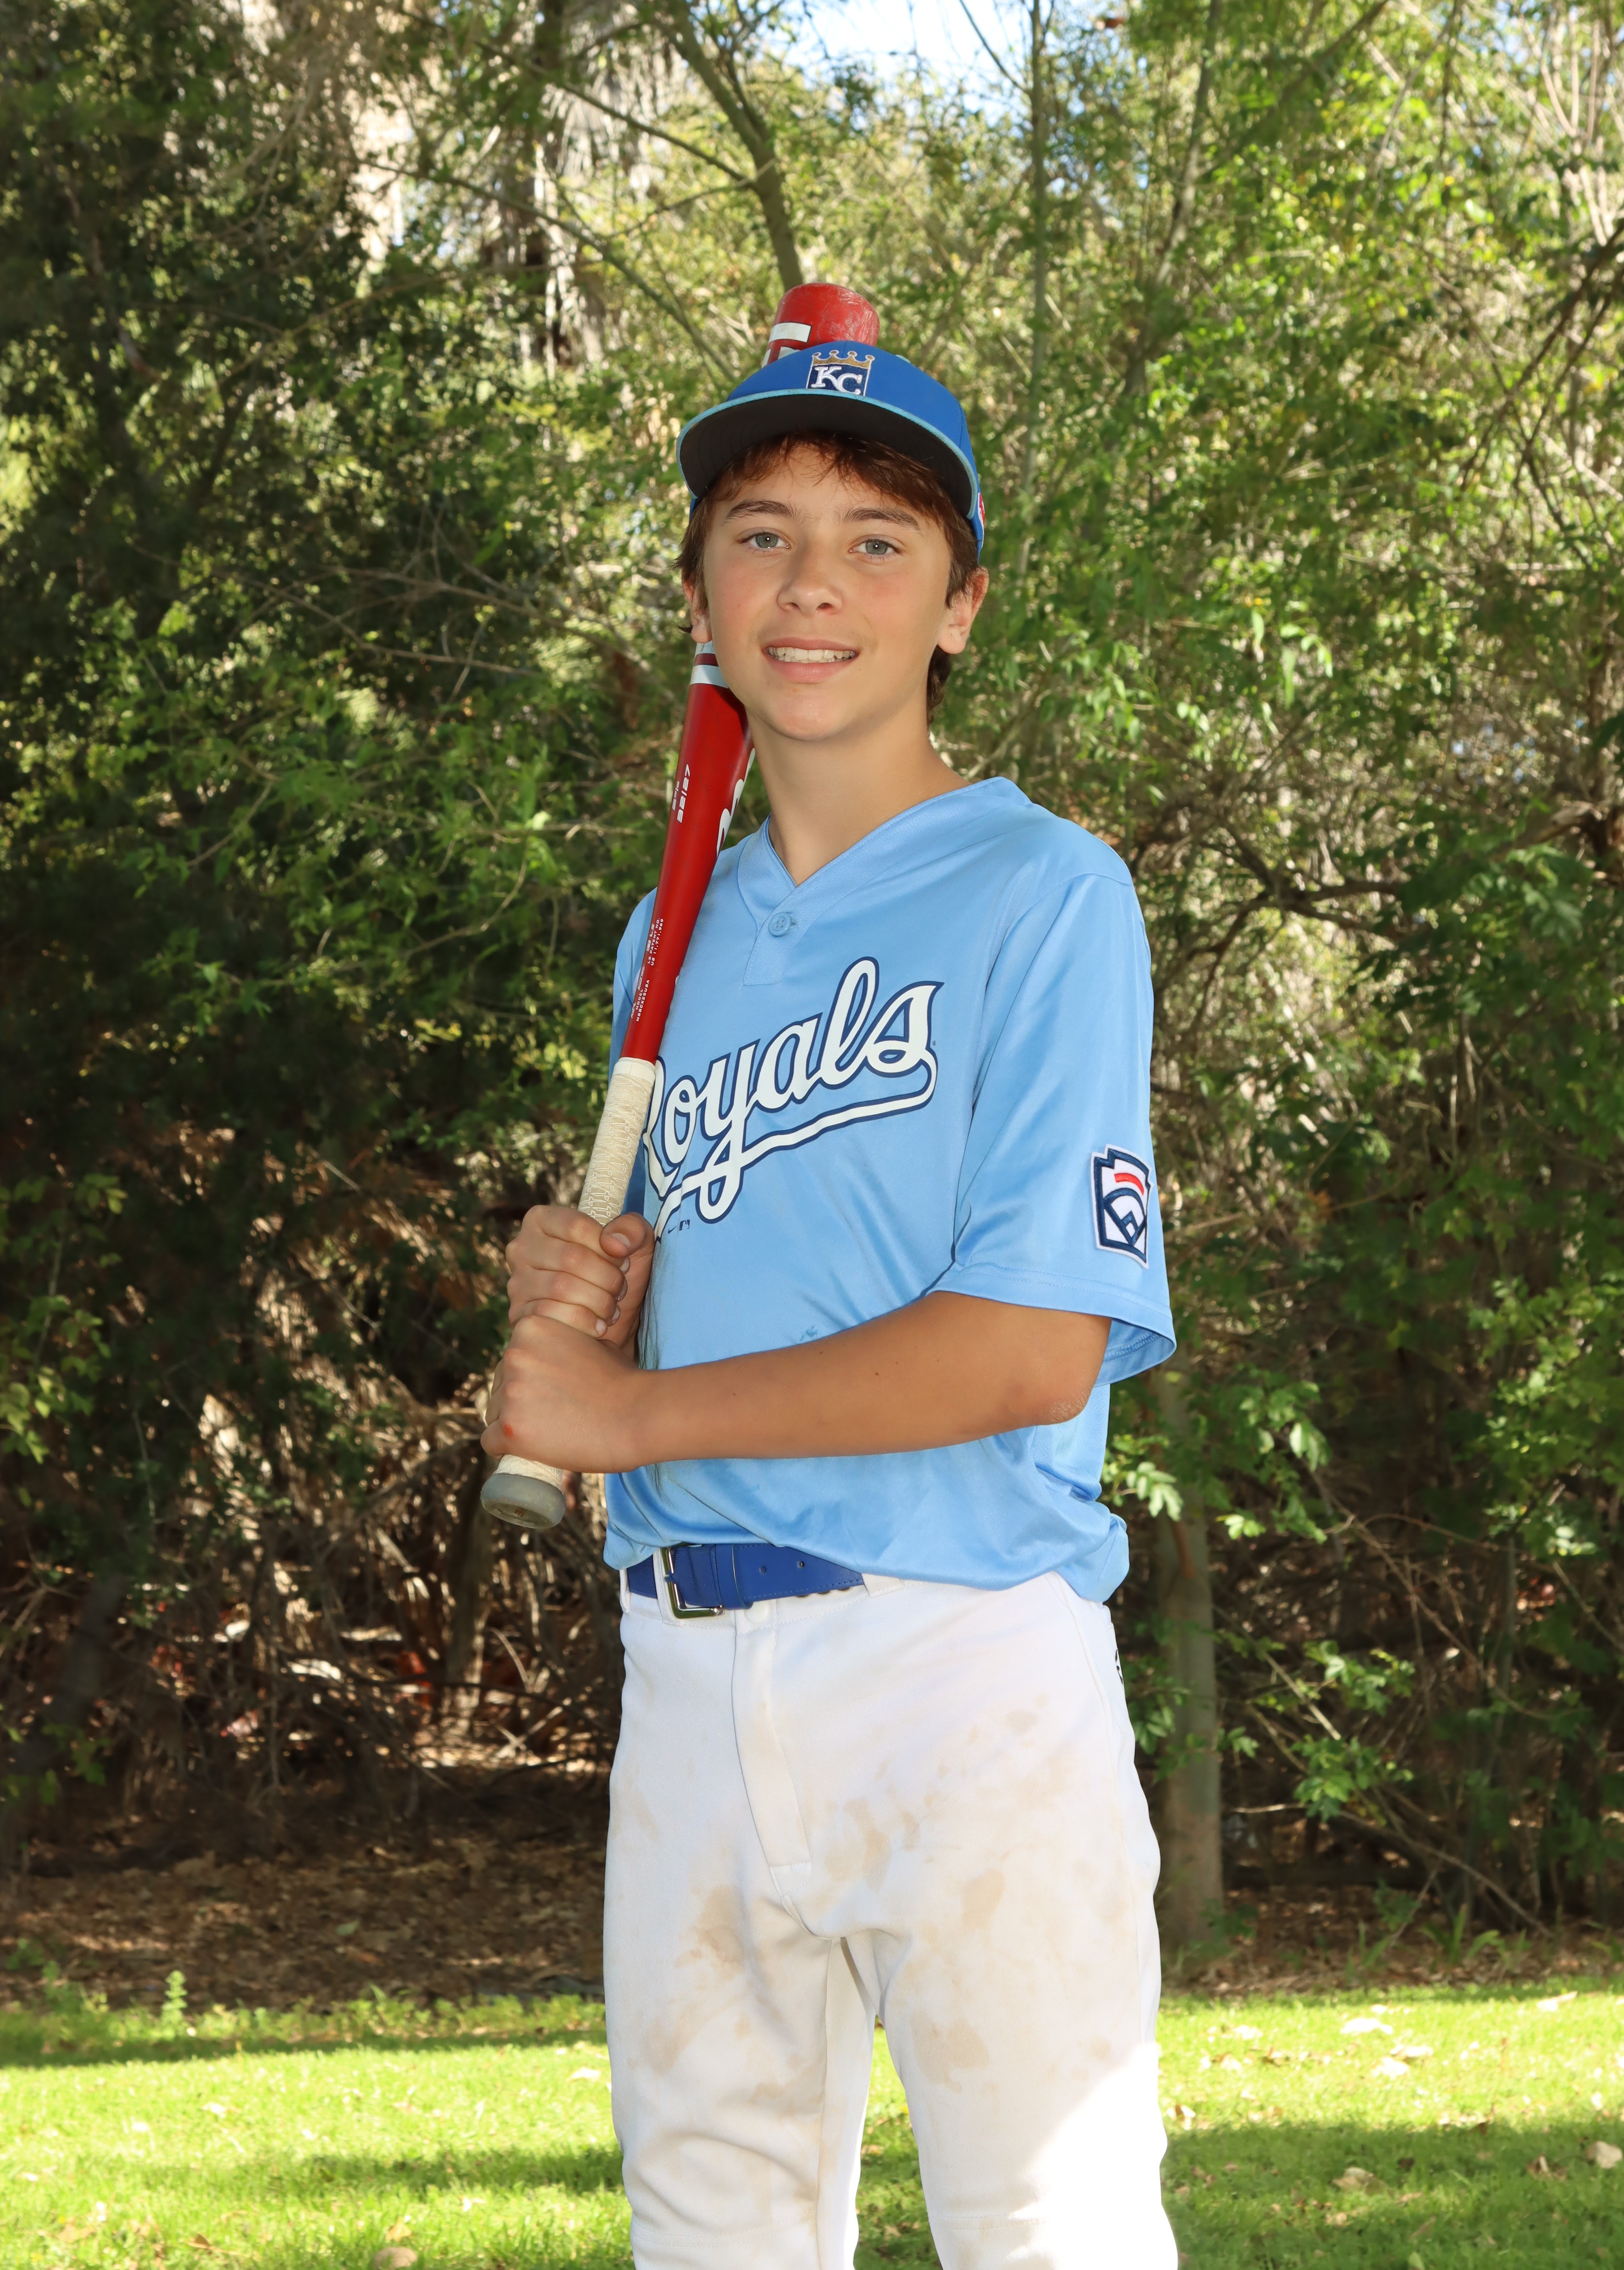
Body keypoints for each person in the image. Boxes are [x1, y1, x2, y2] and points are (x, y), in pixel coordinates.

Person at [483, 317, 1178, 2270]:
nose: (813, 584)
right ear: (699, 598)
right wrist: (585, 1304)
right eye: (761, 536)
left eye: (878, 543)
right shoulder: (673, 928)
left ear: (960, 605)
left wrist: (631, 1414)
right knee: (710, 2232)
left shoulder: (1046, 891)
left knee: (1049, 2231)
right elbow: (700, 1298)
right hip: (691, 1666)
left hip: (962, 1661)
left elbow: (1029, 1344)